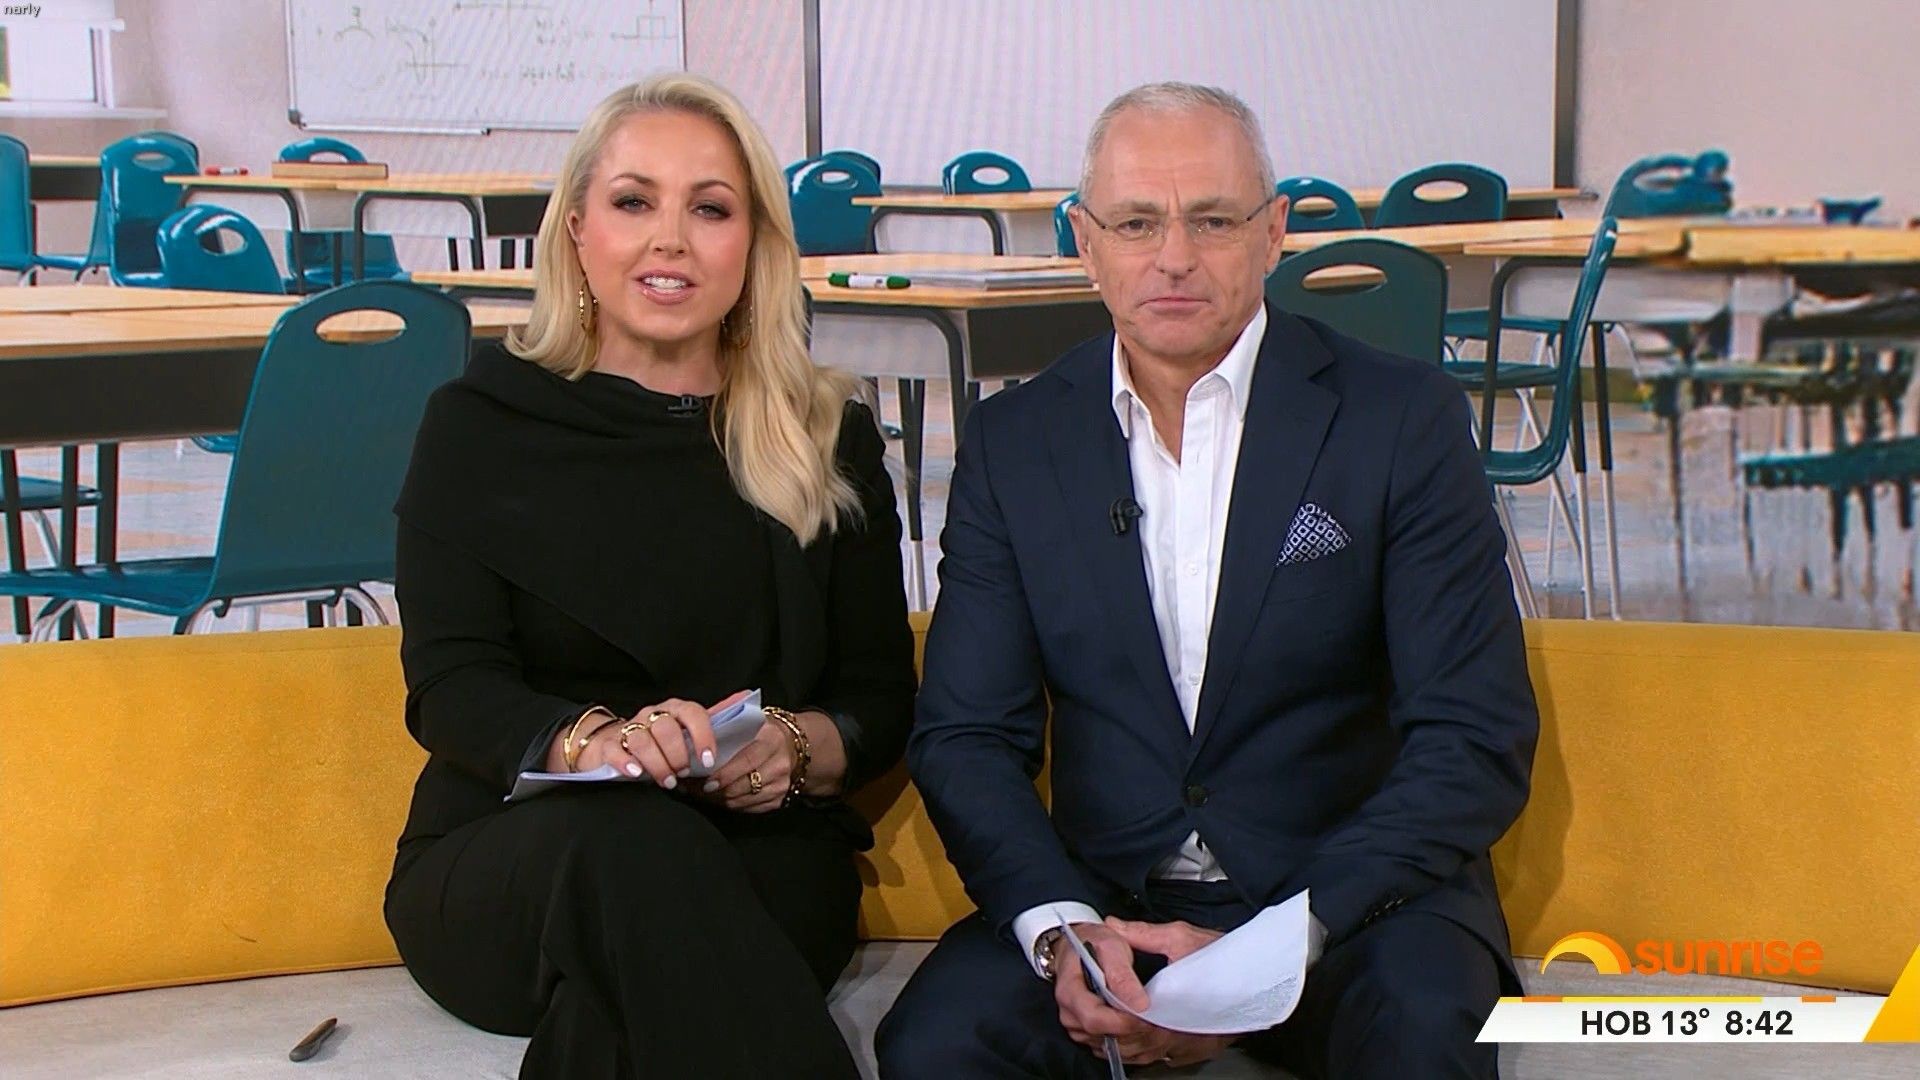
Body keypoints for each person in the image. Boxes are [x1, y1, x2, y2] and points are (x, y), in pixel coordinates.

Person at [877, 82, 1538, 1079]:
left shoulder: (1401, 418)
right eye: (1137, 222)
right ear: (1085, 241)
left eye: (1214, 220)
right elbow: (968, 735)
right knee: (937, 1046)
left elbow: (1474, 734)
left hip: (1352, 905)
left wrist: (1269, 949)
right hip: (1112, 905)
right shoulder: (1016, 442)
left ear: (1273, 233)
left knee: (1420, 1034)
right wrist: (1064, 931)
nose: (1174, 256)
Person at [383, 74, 915, 1079]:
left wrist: (798, 745)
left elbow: (881, 695)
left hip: (759, 856)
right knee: (630, 841)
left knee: (630, 998)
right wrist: (596, 746)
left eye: (709, 209)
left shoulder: (825, 437)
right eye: (635, 201)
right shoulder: (477, 426)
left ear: (754, 243)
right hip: (518, 860)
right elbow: (450, 687)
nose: (670, 240)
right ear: (577, 229)